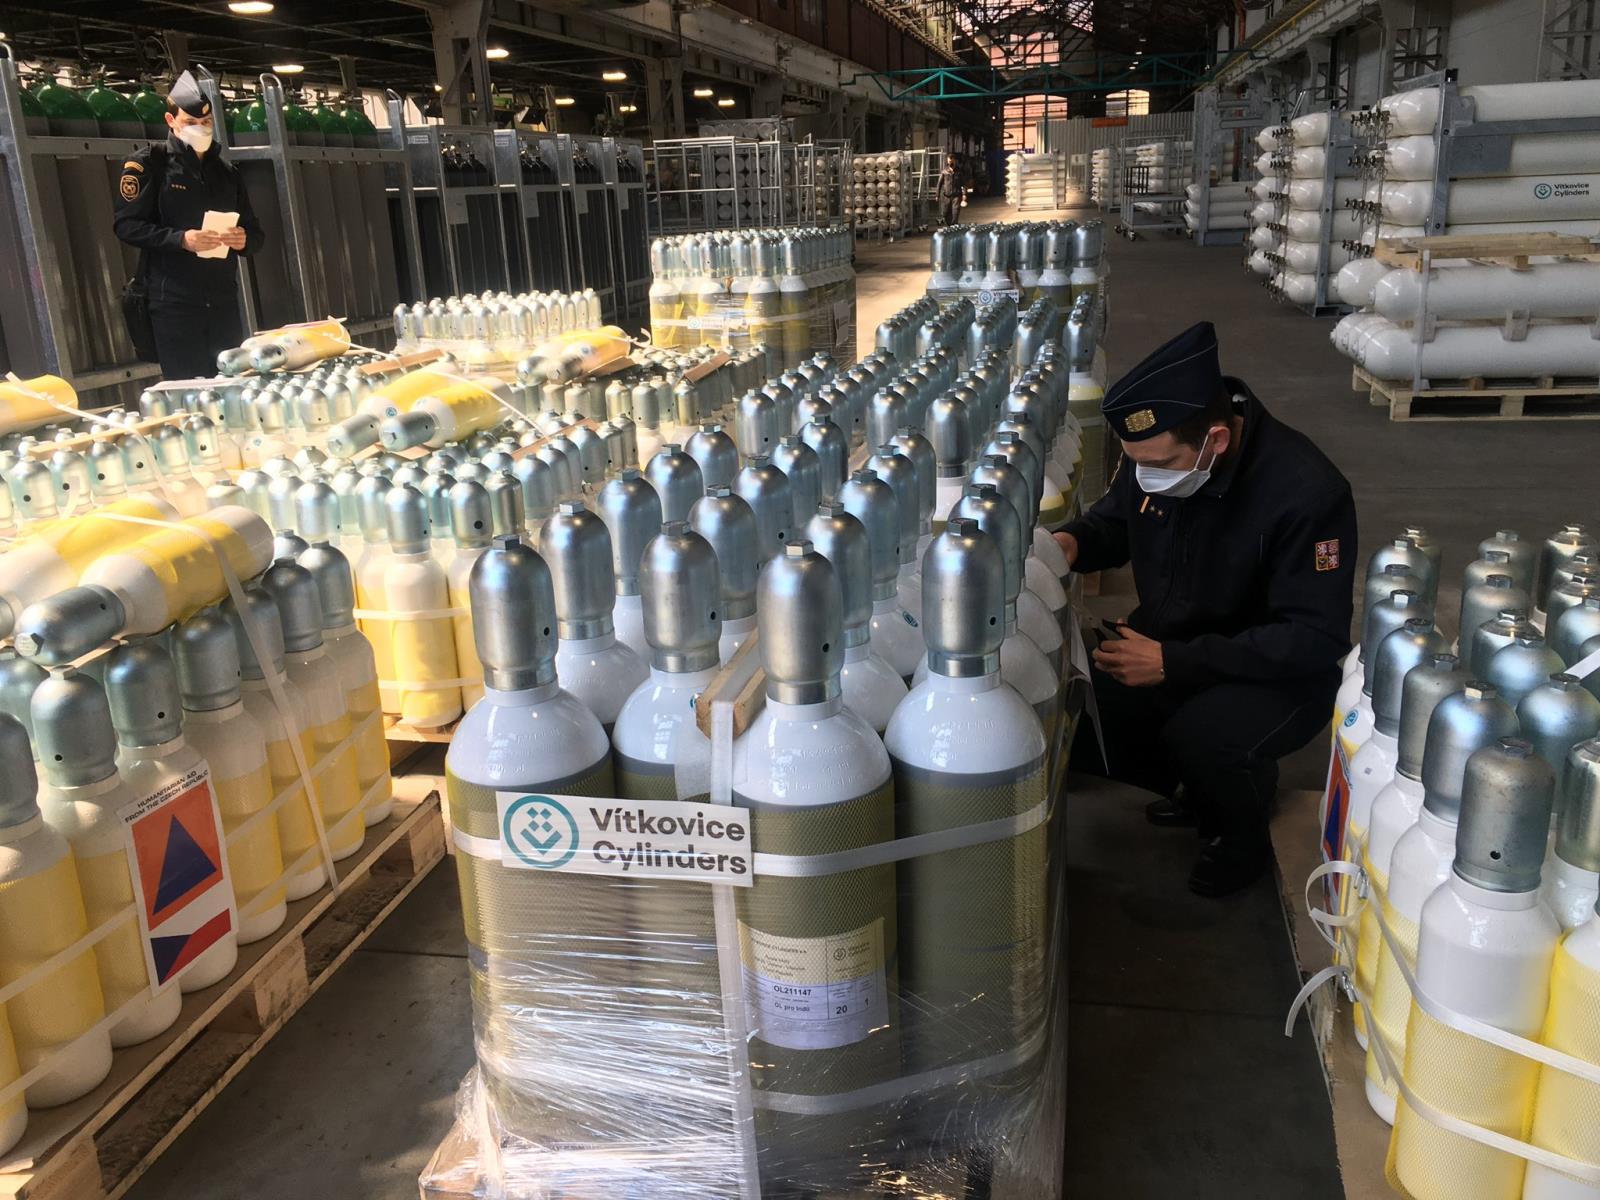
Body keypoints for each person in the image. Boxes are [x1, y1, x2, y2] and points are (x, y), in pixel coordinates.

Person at [1057, 321, 1357, 898]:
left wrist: (1174, 663)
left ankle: (1240, 834)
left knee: (1206, 738)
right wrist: (1073, 542)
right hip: (1171, 648)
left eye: (1158, 463)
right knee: (1073, 716)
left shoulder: (1306, 493)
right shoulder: (1162, 456)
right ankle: (1195, 787)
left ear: (1216, 440)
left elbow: (1313, 638)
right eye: (1136, 463)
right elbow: (1114, 522)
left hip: (1273, 676)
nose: (1145, 476)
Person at [113, 70, 262, 380]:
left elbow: (256, 233)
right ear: (171, 121)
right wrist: (181, 239)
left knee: (232, 383)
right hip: (174, 304)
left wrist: (243, 239)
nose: (200, 128)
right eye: (191, 122)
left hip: (222, 302)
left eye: (206, 122)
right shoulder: (149, 164)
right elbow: (126, 225)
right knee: (187, 390)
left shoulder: (227, 173)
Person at [936, 160, 964, 225]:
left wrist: (964, 194)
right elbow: (939, 184)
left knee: (955, 212)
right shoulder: (944, 172)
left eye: (952, 161)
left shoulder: (959, 172)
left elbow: (963, 184)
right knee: (945, 213)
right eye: (949, 161)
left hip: (956, 195)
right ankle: (949, 225)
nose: (951, 163)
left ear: (955, 161)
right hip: (946, 196)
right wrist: (937, 195)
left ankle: (954, 225)